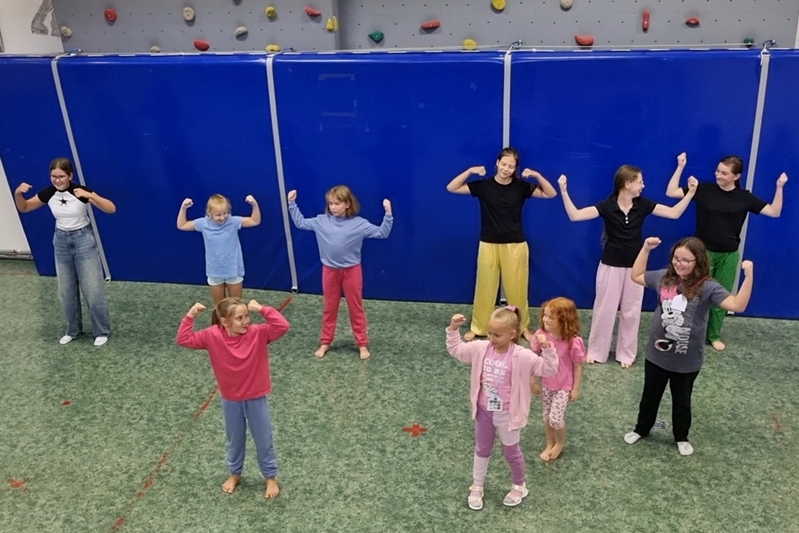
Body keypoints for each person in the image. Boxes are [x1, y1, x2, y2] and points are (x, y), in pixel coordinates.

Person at [557, 165, 698, 368]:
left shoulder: (643, 205)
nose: (643, 185)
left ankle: (626, 354)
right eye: (640, 182)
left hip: (635, 269)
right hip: (610, 266)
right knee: (604, 310)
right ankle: (597, 351)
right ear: (627, 184)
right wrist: (563, 190)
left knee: (631, 312)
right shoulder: (607, 206)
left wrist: (690, 193)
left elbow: (674, 213)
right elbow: (575, 215)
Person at [624, 236, 753, 456]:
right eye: (676, 258)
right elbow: (636, 276)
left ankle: (681, 436)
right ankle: (641, 428)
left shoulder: (709, 287)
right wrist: (645, 249)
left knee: (682, 401)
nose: (679, 263)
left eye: (686, 260)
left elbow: (737, 305)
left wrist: (748, 276)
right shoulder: (664, 278)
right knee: (649, 396)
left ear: (698, 261)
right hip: (656, 355)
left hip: (687, 361)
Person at [666, 152, 787, 351]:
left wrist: (779, 187)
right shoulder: (704, 189)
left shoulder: (744, 198)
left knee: (721, 298)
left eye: (724, 173)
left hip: (728, 255)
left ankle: (713, 335)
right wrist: (680, 167)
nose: (718, 175)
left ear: (736, 176)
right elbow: (671, 192)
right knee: (694, 294)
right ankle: (688, 332)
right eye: (717, 171)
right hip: (702, 254)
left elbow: (774, 211)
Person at [446, 306, 558, 511]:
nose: (491, 338)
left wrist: (548, 349)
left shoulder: (522, 356)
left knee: (511, 452)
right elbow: (457, 350)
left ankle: (519, 485)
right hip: (484, 411)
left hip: (508, 415)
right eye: (489, 333)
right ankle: (477, 485)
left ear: (512, 334)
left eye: (497, 335)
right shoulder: (481, 348)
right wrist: (453, 329)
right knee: (482, 449)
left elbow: (548, 369)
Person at [176, 297, 290, 497]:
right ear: (224, 321)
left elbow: (282, 326)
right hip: (231, 400)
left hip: (256, 398)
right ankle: (235, 473)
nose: (246, 321)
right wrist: (190, 315)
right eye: (239, 318)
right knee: (235, 439)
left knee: (263, 439)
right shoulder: (212, 335)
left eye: (247, 316)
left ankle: (270, 477)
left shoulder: (258, 333)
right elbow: (183, 339)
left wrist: (262, 309)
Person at [447, 147, 557, 342]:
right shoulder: (484, 186)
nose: (506, 169)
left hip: (515, 244)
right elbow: (452, 187)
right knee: (485, 287)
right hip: (488, 243)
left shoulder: (521, 187)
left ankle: (521, 327)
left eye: (511, 166)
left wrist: (537, 176)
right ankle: (479, 327)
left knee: (517, 289)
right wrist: (470, 171)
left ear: (515, 168)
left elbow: (551, 193)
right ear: (497, 163)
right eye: (503, 164)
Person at [14, 157, 115, 346]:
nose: (57, 180)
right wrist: (18, 193)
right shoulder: (48, 193)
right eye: (54, 176)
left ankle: (101, 331)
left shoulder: (79, 191)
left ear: (70, 176)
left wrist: (91, 196)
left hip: (83, 240)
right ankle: (72, 330)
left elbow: (111, 208)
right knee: (66, 291)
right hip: (61, 241)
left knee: (93, 290)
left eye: (61, 176)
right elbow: (25, 207)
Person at [287, 186, 392, 360]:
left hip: (352, 271)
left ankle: (362, 343)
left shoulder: (359, 224)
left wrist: (388, 214)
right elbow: (300, 223)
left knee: (356, 308)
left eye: (337, 203)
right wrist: (292, 203)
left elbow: (382, 233)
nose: (333, 207)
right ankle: (325, 341)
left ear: (347, 204)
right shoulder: (321, 221)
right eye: (331, 203)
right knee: (329, 307)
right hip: (329, 271)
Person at [177, 194, 261, 310]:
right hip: (214, 271)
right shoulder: (203, 223)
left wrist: (254, 205)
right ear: (209, 213)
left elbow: (255, 221)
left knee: (237, 306)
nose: (222, 217)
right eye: (218, 215)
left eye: (225, 213)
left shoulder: (233, 221)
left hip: (233, 270)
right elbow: (182, 225)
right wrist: (183, 208)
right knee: (219, 307)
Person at [529, 297, 586, 462]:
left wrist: (575, 388)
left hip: (563, 386)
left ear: (564, 320)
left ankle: (559, 443)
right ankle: (550, 443)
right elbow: (533, 359)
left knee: (556, 418)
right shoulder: (541, 335)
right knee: (547, 416)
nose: (545, 319)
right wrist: (532, 381)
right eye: (545, 315)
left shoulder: (573, 341)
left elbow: (577, 366)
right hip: (546, 384)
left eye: (551, 317)